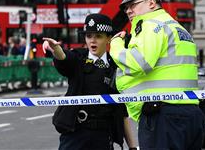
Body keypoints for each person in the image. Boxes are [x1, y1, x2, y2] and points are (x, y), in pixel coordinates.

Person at [110, 0, 205, 149]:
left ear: (152, 3)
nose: (129, 11)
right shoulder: (178, 28)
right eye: (126, 7)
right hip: (190, 113)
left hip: (162, 116)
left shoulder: (149, 24)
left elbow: (138, 63)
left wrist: (116, 45)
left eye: (133, 4)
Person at [42, 13, 137, 150]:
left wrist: (132, 147)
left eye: (98, 36)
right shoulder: (78, 57)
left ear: (108, 39)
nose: (92, 41)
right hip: (75, 134)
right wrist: (56, 49)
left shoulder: (116, 66)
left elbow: (122, 112)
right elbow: (64, 58)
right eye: (89, 36)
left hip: (103, 137)